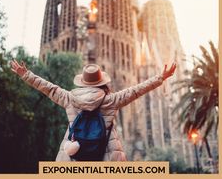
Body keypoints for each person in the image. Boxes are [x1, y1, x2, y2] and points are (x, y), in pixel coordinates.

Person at [10, 60, 176, 161]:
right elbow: (136, 90)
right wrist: (160, 77)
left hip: (74, 153)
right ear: (102, 82)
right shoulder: (111, 100)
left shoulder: (70, 98)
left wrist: (26, 75)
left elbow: (49, 89)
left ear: (82, 82)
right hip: (107, 155)